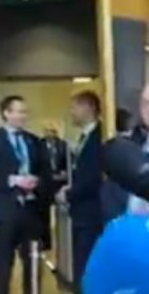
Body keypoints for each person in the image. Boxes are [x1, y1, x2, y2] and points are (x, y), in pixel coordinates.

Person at [0, 95, 51, 294]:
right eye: (19, 111)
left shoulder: (34, 141)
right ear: (6, 114)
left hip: (31, 209)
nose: (23, 116)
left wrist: (37, 182)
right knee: (4, 260)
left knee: (32, 260)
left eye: (25, 112)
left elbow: (46, 172)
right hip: (5, 208)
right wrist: (12, 180)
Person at [57, 91, 103, 290]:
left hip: (92, 213)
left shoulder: (99, 138)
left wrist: (69, 193)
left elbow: (93, 176)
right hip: (81, 212)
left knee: (86, 265)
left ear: (88, 108)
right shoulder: (85, 137)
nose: (72, 112)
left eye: (75, 107)